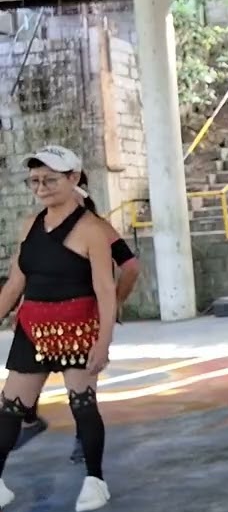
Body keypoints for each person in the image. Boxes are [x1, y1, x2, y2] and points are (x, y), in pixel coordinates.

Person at [0, 145, 118, 511]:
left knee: (82, 403)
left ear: (73, 179)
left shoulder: (93, 230)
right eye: (35, 181)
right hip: (33, 327)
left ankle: (95, 480)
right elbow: (15, 283)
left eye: (50, 179)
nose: (41, 187)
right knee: (9, 406)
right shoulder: (29, 225)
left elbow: (105, 289)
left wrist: (103, 342)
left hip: (78, 326)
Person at [18, 199, 140, 464]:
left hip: (81, 318)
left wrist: (113, 303)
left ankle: (81, 446)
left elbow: (130, 266)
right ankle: (33, 420)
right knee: (39, 375)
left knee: (79, 389)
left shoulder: (97, 229)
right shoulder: (44, 227)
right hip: (46, 317)